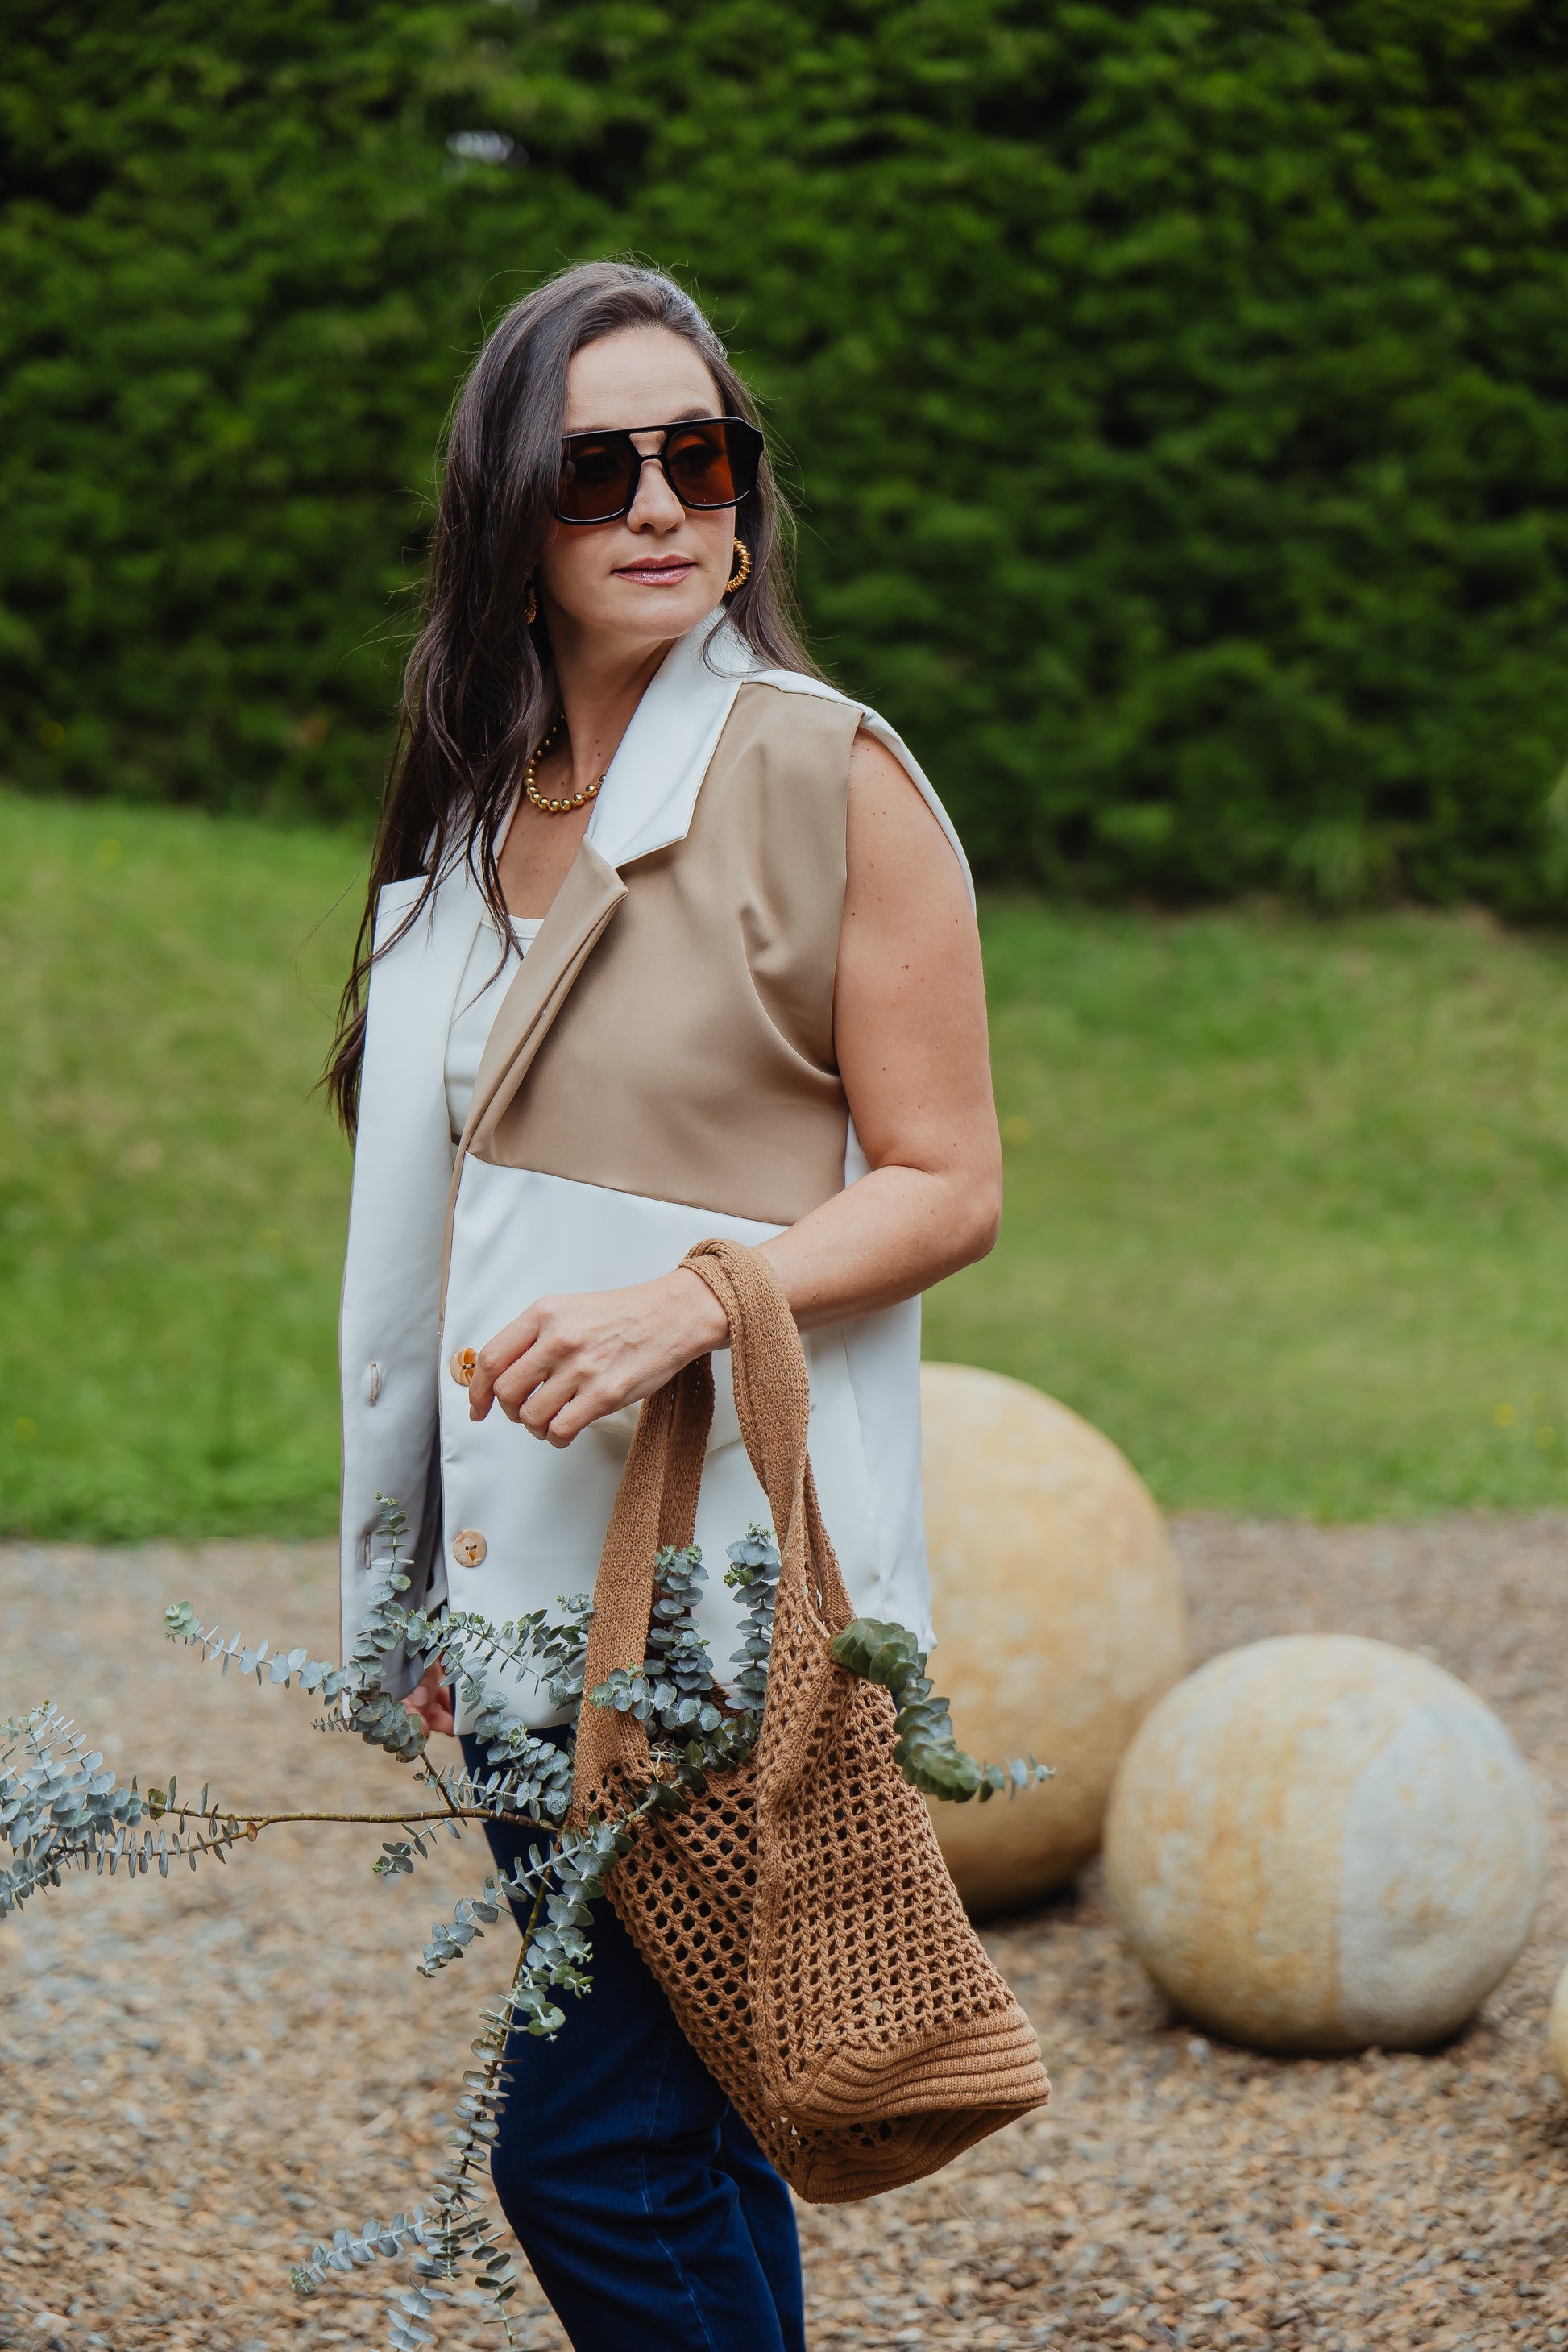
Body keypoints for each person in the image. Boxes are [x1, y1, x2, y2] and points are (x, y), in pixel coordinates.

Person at [325, 260, 1002, 2352]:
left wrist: (697, 1298)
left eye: (696, 457)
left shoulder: (830, 774)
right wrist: (408, 1594)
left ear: (742, 489)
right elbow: (433, 1234)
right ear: (501, 511)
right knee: (688, 2127)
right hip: (512, 1602)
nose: (654, 504)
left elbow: (950, 1182)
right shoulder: (475, 792)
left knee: (594, 2157)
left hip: (707, 1600)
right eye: (592, 466)